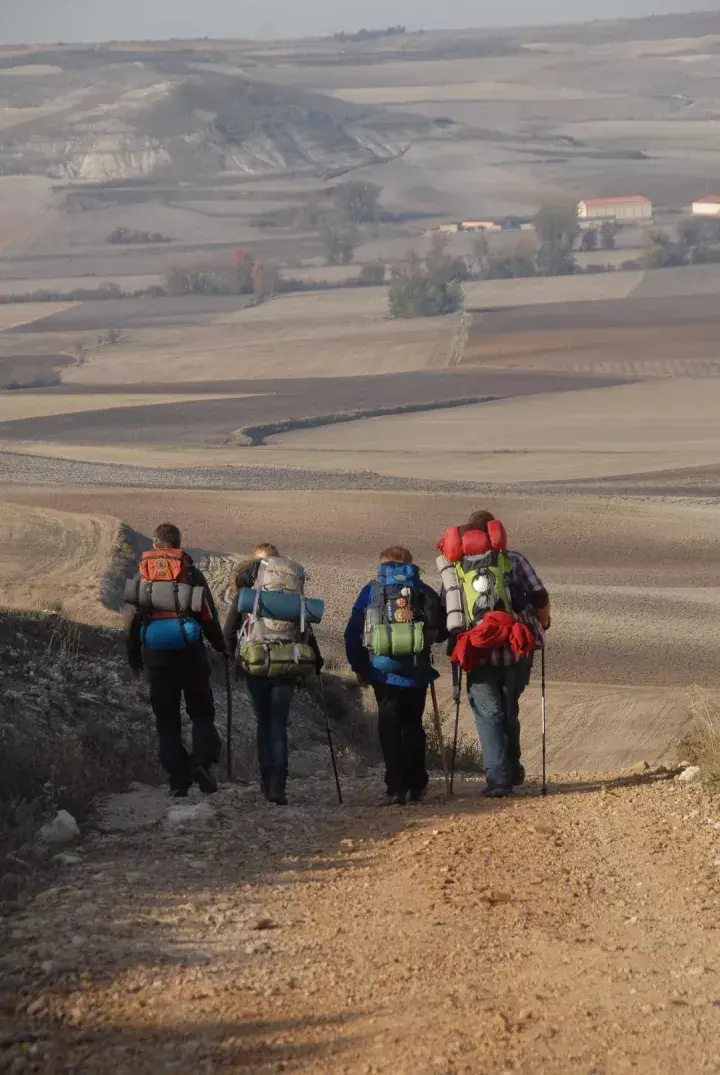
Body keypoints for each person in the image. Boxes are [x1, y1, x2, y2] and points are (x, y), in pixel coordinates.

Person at [444, 510, 550, 798]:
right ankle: (512, 769)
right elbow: (539, 595)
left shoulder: (457, 566)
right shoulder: (513, 559)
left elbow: (450, 608)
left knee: (488, 713)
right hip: (516, 649)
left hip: (477, 651)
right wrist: (544, 622)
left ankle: (499, 778)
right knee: (508, 707)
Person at [126, 522, 228, 798]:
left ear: (156, 545)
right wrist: (221, 646)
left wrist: (134, 657)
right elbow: (208, 616)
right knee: (202, 714)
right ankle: (201, 764)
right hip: (191, 655)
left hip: (157, 659)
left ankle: (178, 781)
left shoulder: (143, 576)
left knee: (167, 721)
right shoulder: (192, 574)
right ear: (178, 545)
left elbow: (135, 622)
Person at [224, 544, 323, 806]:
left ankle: (266, 780)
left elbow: (229, 631)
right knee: (279, 723)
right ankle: (279, 783)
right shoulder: (291, 595)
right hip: (287, 663)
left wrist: (231, 660)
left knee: (263, 722)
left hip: (255, 663)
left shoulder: (246, 592)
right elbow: (306, 630)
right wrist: (317, 661)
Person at [345, 546, 444, 806]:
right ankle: (417, 784)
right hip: (416, 673)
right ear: (410, 565)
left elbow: (353, 632)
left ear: (382, 566)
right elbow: (440, 630)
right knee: (413, 726)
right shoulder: (423, 590)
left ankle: (395, 788)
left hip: (383, 672)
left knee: (389, 727)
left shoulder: (371, 591)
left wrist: (359, 666)